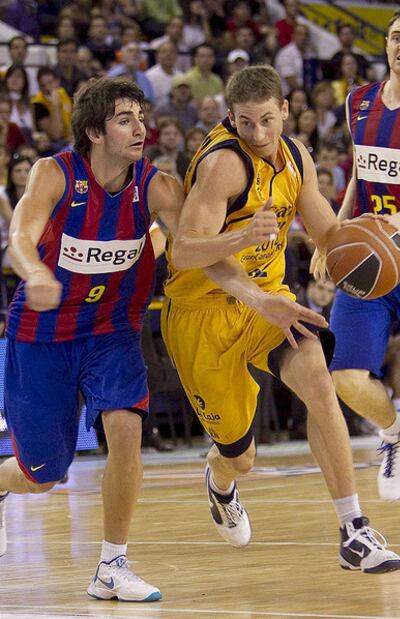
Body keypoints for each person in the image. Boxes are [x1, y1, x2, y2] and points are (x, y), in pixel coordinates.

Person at [161, 64, 400, 573]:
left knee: (319, 380)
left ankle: (353, 530)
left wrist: (377, 237)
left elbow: (329, 231)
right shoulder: (223, 166)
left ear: (286, 111)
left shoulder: (296, 158)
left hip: (269, 300)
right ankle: (220, 478)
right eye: (245, 122)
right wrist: (243, 240)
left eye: (268, 120)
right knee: (241, 457)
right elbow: (183, 251)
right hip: (202, 316)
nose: (259, 134)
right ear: (231, 117)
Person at [0, 76, 183, 602]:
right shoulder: (54, 174)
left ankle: (111, 565)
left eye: (141, 118)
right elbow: (20, 233)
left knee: (126, 427)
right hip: (44, 333)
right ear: (94, 132)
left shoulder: (156, 185)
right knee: (43, 475)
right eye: (125, 119)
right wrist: (34, 272)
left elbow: (192, 239)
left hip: (111, 329)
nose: (140, 128)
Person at [311, 2, 400, 527]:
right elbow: (358, 175)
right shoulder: (360, 101)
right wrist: (332, 236)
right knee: (347, 376)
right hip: (370, 255)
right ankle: (393, 431)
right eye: (396, 35)